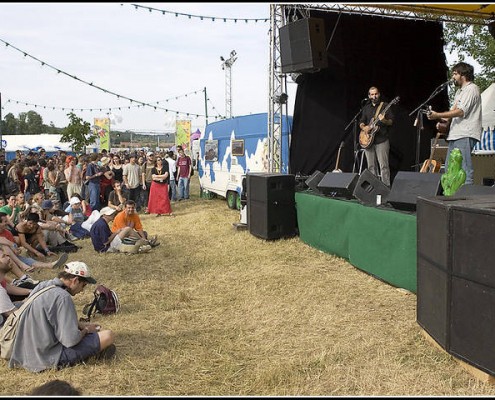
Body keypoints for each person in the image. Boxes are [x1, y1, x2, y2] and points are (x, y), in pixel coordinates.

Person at [8, 261, 116, 372]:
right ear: (75, 281)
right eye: (83, 285)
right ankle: (95, 352)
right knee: (107, 336)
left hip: (24, 352)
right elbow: (70, 340)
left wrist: (81, 325)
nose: (82, 290)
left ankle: (95, 351)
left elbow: (49, 316)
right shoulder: (62, 297)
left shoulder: (43, 285)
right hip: (45, 358)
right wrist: (87, 330)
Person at [427, 61, 482, 185]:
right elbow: (452, 113)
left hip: (465, 133)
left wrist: (439, 114)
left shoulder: (472, 89)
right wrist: (438, 119)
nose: (453, 78)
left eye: (455, 74)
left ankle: (466, 199)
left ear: (462, 74)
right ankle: (452, 197)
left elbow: (461, 112)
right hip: (455, 134)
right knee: (450, 169)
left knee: (464, 169)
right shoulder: (459, 92)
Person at [359, 86, 394, 187]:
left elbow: (391, 121)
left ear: (379, 94)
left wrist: (383, 120)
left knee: (384, 166)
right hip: (368, 141)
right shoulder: (366, 108)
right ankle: (373, 188)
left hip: (381, 140)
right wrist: (364, 127)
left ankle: (386, 188)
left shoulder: (385, 106)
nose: (374, 96)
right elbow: (361, 121)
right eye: (372, 94)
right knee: (371, 166)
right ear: (369, 96)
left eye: (376, 94)